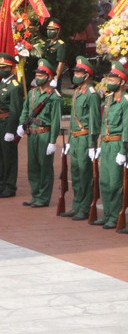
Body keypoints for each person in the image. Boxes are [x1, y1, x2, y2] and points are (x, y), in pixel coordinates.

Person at [18, 59, 62, 208]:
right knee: (33, 167)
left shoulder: (54, 97)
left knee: (45, 168)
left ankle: (43, 198)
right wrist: (21, 123)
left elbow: (55, 121)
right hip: (32, 134)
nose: (38, 77)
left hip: (45, 134)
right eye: (37, 75)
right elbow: (25, 110)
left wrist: (52, 141)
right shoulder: (32, 93)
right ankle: (35, 195)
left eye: (41, 75)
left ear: (49, 77)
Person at [63, 58, 101, 221]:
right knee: (76, 173)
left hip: (85, 139)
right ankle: (77, 205)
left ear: (87, 75)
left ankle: (85, 207)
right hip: (75, 138)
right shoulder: (78, 91)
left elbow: (94, 121)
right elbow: (73, 119)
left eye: (79, 73)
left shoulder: (91, 94)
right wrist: (69, 141)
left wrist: (92, 144)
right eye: (76, 72)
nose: (76, 75)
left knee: (85, 174)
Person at [92, 60, 128, 229]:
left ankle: (115, 216)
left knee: (115, 183)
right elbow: (103, 123)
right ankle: (107, 214)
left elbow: (126, 127)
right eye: (109, 79)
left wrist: (123, 151)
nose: (109, 82)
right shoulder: (108, 99)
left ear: (122, 82)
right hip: (106, 145)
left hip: (116, 145)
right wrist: (99, 144)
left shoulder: (125, 101)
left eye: (113, 79)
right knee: (104, 182)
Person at [0, 53, 24, 199]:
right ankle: (1, 183)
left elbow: (15, 110)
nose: (1, 70)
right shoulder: (0, 83)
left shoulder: (15, 86)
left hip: (7, 124)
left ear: (11, 68)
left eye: (4, 67)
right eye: (0, 67)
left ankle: (10, 186)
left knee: (9, 157)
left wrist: (11, 130)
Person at [42, 18, 68, 89]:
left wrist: (56, 78)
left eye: (52, 29)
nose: (49, 31)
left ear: (58, 30)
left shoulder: (60, 45)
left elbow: (61, 63)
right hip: (45, 73)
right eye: (48, 29)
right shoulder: (47, 42)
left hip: (54, 74)